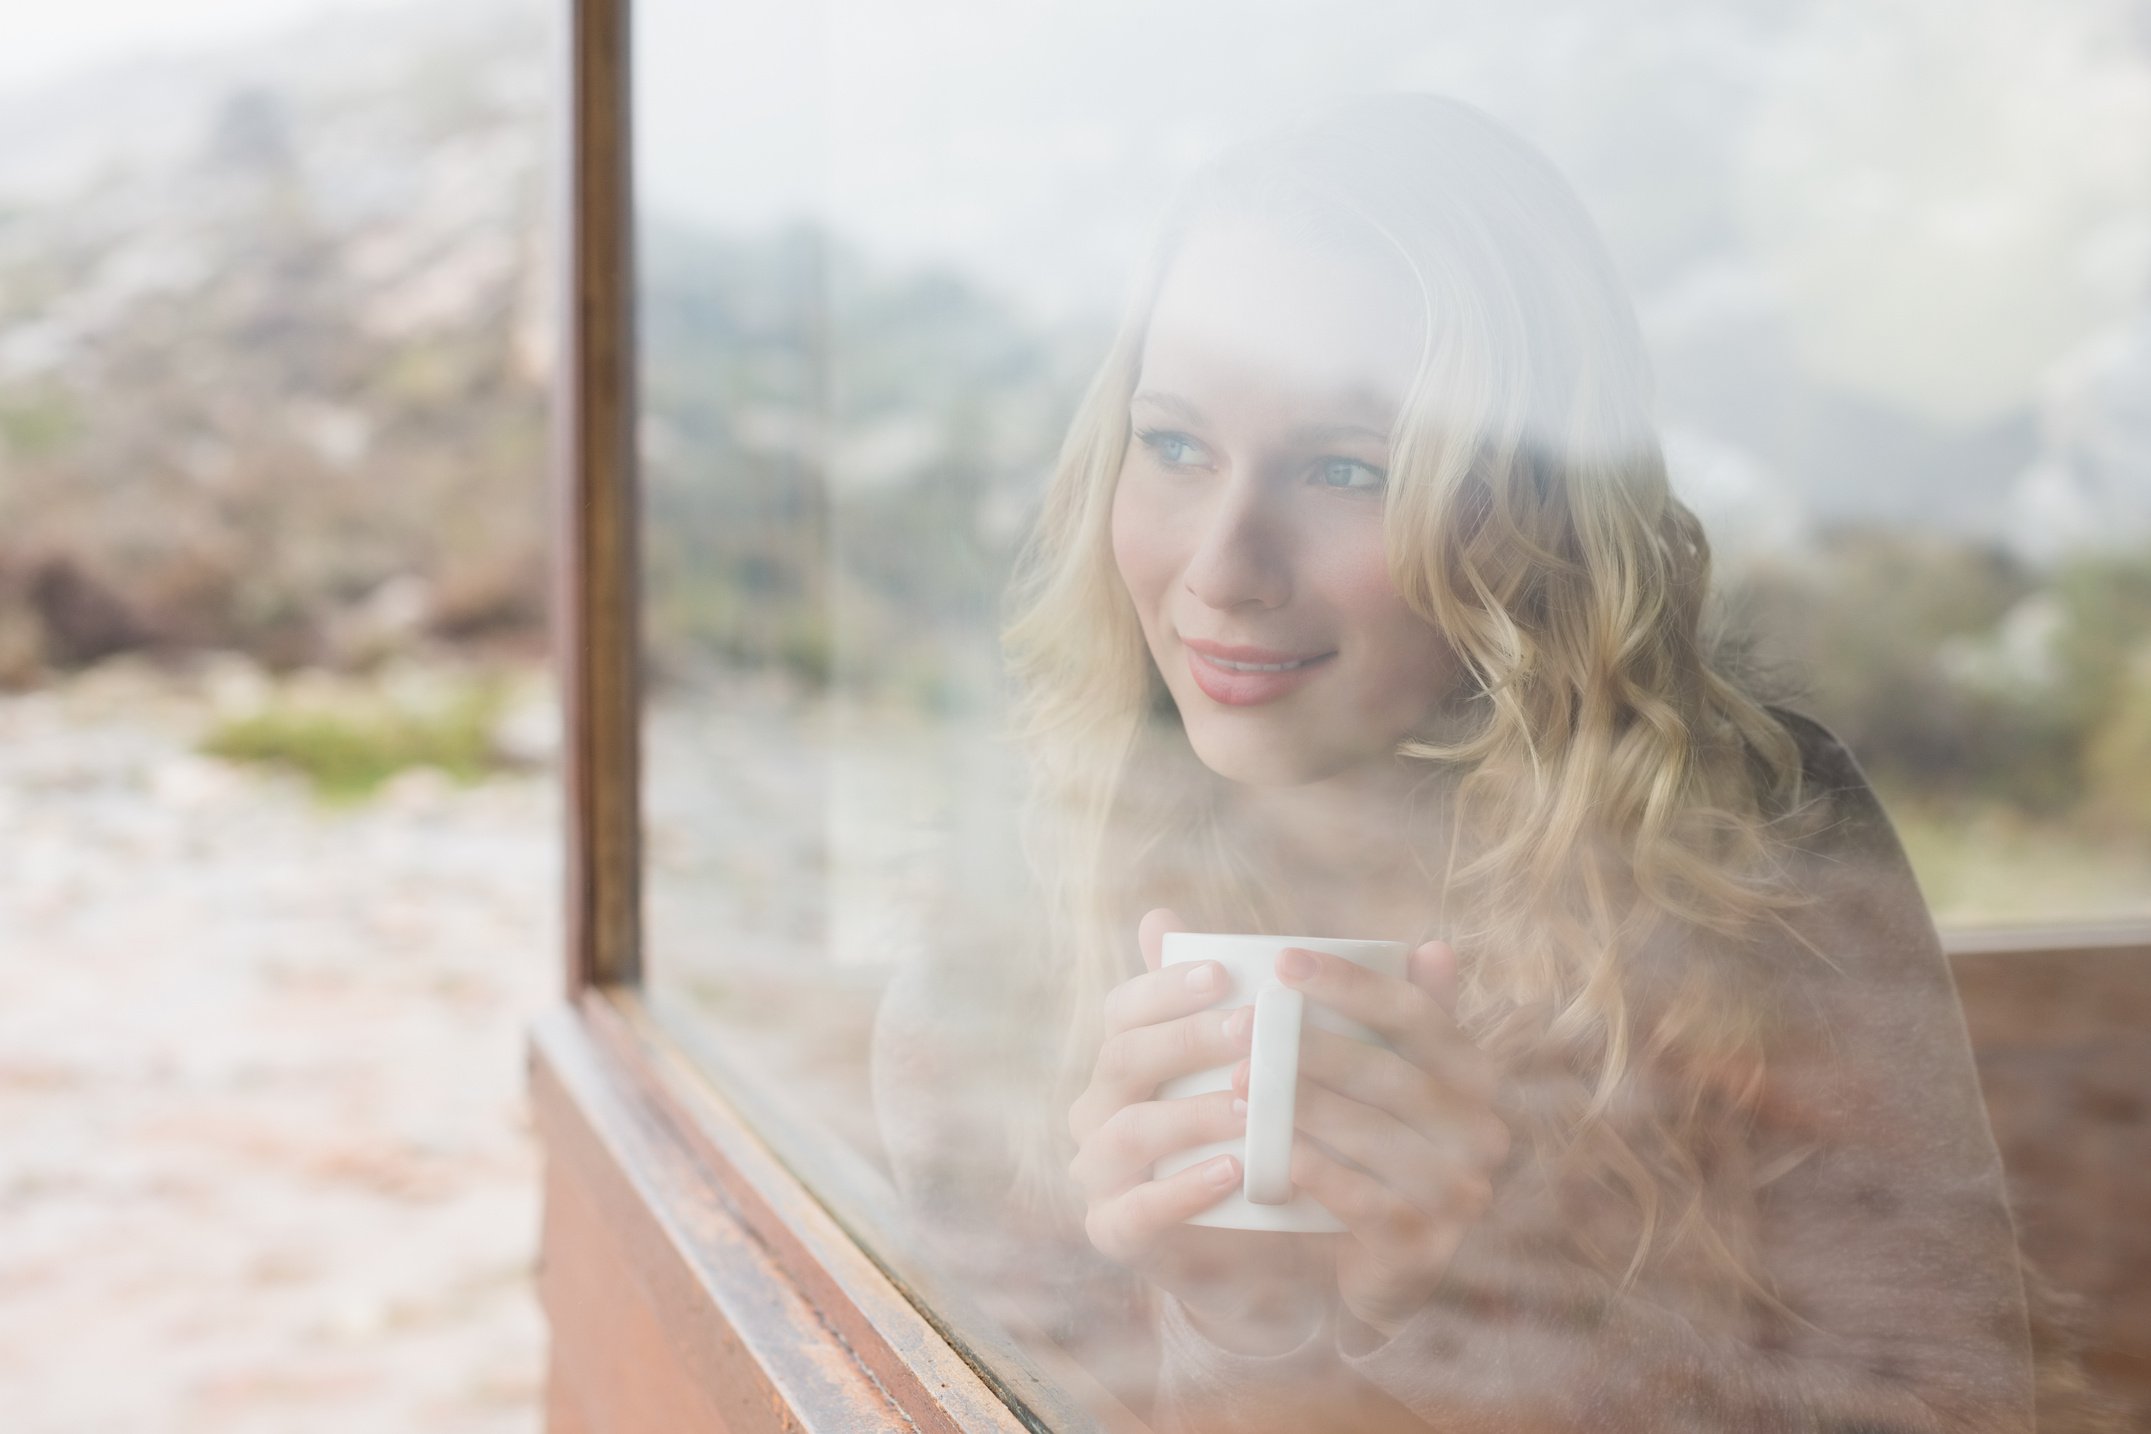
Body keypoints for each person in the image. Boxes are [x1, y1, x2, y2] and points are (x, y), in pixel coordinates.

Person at [873, 93, 2056, 1432]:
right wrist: (1243, 1323)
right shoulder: (1021, 892)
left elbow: (1957, 1405)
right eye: (1177, 445)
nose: (1220, 569)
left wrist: (1478, 1310)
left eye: (1344, 466)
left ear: (1532, 512)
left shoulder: (1755, 837)